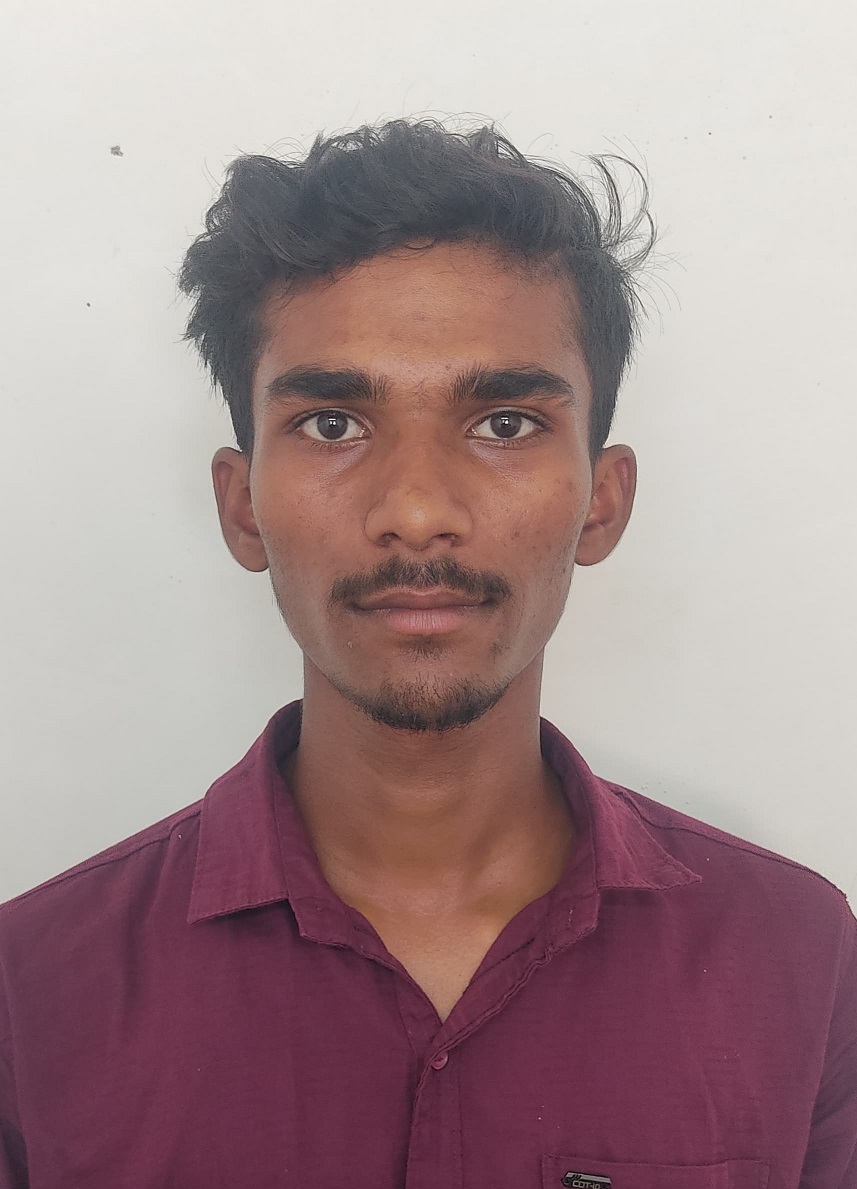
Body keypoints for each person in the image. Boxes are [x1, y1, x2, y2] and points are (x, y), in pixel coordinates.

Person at [0, 119, 854, 1189]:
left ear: (601, 502)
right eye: (331, 424)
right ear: (242, 505)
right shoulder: (33, 989)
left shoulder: (796, 957)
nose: (414, 510)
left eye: (504, 423)